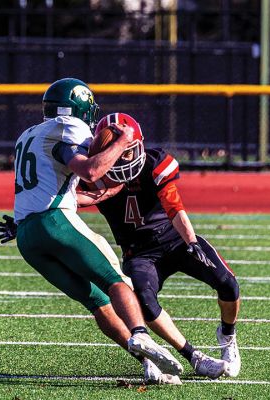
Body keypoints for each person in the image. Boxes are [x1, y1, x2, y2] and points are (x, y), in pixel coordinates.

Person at [3, 77, 185, 384]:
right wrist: (121, 142)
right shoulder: (68, 128)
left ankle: (147, 365)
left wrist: (108, 192)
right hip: (55, 222)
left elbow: (67, 190)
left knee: (96, 300)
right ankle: (140, 333)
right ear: (79, 108)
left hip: (26, 235)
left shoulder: (28, 135)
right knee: (117, 281)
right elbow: (91, 170)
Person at [76, 112, 241, 379]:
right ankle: (194, 357)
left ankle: (227, 336)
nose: (122, 159)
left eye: (128, 152)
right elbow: (62, 203)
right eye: (116, 153)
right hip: (138, 252)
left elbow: (174, 207)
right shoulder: (94, 174)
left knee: (228, 284)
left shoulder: (155, 164)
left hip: (174, 238)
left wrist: (191, 240)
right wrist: (26, 219)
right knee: (144, 303)